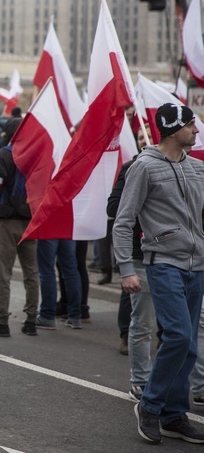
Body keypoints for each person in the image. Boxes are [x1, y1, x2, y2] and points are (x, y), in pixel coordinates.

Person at [114, 103, 204, 444]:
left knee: (189, 346)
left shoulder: (197, 169)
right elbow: (123, 220)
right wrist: (125, 268)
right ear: (173, 129)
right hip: (163, 263)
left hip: (197, 266)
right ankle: (150, 406)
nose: (197, 130)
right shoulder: (144, 167)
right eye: (192, 125)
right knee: (179, 335)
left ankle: (174, 415)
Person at [107, 125, 155, 402]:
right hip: (141, 256)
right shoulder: (132, 168)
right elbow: (114, 209)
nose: (143, 141)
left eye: (146, 136)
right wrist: (139, 202)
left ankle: (188, 385)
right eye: (139, 137)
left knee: (182, 329)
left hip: (176, 257)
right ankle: (140, 382)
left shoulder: (188, 169)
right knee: (142, 323)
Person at [0, 118, 39, 337]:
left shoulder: (4, 154)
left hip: (6, 222)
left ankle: (2, 321)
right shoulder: (35, 155)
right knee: (31, 272)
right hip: (30, 221)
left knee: (2, 273)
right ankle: (31, 320)